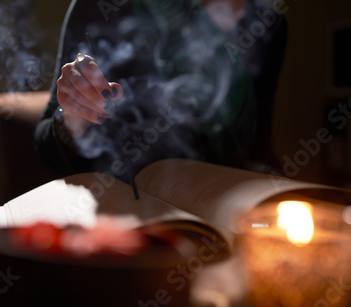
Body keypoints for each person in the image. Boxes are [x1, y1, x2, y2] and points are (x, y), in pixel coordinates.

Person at [34, 0, 287, 183]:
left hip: (230, 204)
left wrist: (278, 189)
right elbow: (46, 146)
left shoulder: (265, 23)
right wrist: (74, 120)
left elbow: (259, 148)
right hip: (133, 210)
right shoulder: (102, 6)